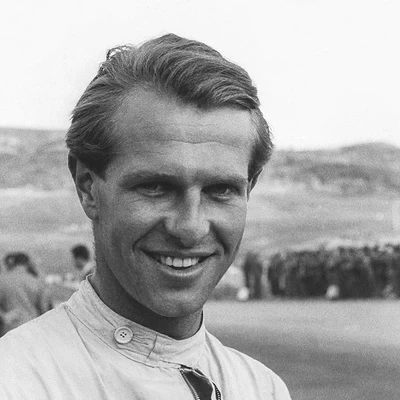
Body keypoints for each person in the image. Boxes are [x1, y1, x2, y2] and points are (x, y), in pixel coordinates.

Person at [0, 34, 291, 399]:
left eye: (221, 190)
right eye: (156, 187)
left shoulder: (262, 388)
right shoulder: (16, 381)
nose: (190, 227)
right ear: (88, 187)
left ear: (250, 187)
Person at [0, 252, 51, 336]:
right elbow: (44, 309)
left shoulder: (3, 280)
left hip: (9, 331)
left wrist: (4, 316)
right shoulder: (36, 281)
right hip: (31, 329)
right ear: (27, 264)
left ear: (14, 263)